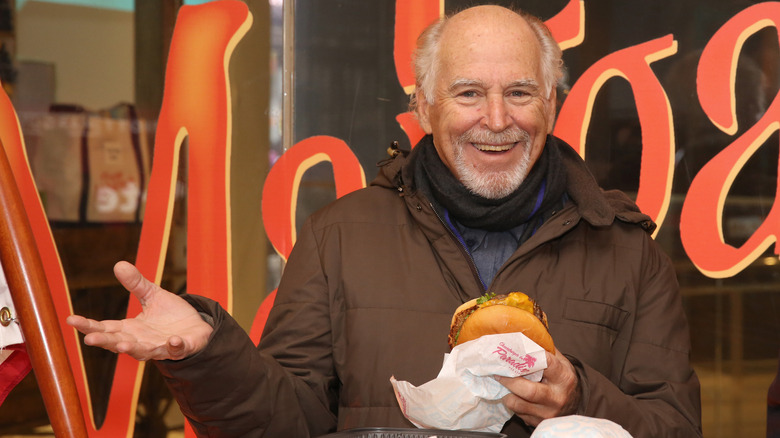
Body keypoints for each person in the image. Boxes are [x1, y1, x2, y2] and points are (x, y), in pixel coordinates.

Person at [67, 5, 702, 437]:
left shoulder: (628, 253)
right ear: (424, 105)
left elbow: (676, 424)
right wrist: (209, 352)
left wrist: (578, 399)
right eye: (468, 93)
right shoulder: (339, 237)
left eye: (519, 91)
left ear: (553, 103)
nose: (497, 118)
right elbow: (289, 418)